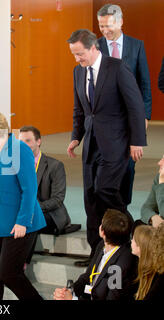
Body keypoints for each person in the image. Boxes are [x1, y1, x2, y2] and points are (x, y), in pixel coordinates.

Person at [66, 29, 146, 266]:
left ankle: (135, 232)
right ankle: (96, 254)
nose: (76, 59)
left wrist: (137, 140)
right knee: (91, 198)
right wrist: (75, 137)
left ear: (93, 48)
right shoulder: (78, 72)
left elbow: (135, 106)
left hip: (116, 143)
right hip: (91, 143)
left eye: (79, 53)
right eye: (73, 54)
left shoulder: (117, 67)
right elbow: (79, 109)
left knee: (105, 190)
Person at [0, 110, 46, 300]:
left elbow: (29, 189)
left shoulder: (19, 149)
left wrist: (22, 221)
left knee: (8, 273)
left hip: (19, 224)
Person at [97, 4, 152, 208]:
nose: (105, 30)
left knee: (128, 166)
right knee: (104, 168)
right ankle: (109, 214)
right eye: (101, 26)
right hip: (105, 119)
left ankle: (123, 209)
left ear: (120, 22)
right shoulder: (96, 46)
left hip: (130, 117)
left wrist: (144, 117)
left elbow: (144, 84)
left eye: (108, 25)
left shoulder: (136, 46)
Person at [53, 209, 137, 300]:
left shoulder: (120, 265)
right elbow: (87, 276)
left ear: (102, 232)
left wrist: (72, 299)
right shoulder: (102, 245)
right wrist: (70, 291)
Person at [19, 125, 71, 235]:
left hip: (50, 214)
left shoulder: (55, 166)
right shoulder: (16, 166)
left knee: (26, 221)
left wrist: (32, 209)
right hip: (24, 212)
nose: (23, 145)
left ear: (38, 141)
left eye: (28, 141)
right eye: (21, 141)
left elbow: (57, 199)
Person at [131, 224, 164, 300]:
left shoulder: (157, 275)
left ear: (141, 246)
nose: (131, 241)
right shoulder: (136, 263)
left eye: (134, 239)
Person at [140, 154, 164, 227]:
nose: (159, 163)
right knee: (138, 224)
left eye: (163, 160)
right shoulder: (159, 177)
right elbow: (146, 207)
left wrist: (162, 184)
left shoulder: (161, 179)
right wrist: (153, 217)